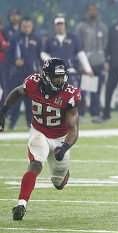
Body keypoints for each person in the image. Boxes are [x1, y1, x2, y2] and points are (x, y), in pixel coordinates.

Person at [0, 58, 81, 220]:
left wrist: (64, 147)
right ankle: (21, 204)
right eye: (56, 77)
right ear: (45, 76)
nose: (60, 80)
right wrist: (3, 111)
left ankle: (63, 175)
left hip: (61, 137)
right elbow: (17, 92)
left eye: (63, 76)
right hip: (39, 132)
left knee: (58, 183)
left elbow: (74, 130)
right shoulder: (32, 83)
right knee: (36, 163)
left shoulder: (70, 94)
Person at [41, 14, 93, 124]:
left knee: (74, 95)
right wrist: (52, 62)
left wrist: (88, 68)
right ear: (54, 26)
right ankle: (58, 118)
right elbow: (43, 53)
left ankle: (78, 117)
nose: (60, 26)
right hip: (55, 74)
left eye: (61, 24)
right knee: (56, 96)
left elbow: (81, 53)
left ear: (65, 25)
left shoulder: (73, 38)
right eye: (57, 24)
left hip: (71, 71)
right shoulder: (50, 40)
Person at [5, 16, 41, 130]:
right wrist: (15, 62)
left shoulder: (37, 39)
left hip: (32, 75)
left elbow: (40, 55)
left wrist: (41, 69)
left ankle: (30, 124)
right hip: (17, 74)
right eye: (24, 26)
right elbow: (7, 54)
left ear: (32, 26)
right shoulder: (15, 38)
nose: (26, 28)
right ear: (21, 26)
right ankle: (12, 123)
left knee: (31, 101)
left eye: (29, 26)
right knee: (16, 99)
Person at [75, 4, 108, 124]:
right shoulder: (81, 27)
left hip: (98, 63)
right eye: (91, 9)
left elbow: (105, 45)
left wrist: (103, 59)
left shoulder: (103, 27)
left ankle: (95, 115)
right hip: (86, 64)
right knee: (83, 91)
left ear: (97, 12)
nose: (93, 11)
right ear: (87, 11)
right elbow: (77, 47)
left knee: (96, 91)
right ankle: (80, 116)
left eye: (95, 9)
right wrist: (81, 64)